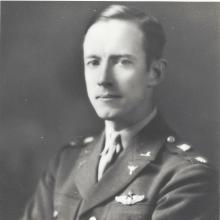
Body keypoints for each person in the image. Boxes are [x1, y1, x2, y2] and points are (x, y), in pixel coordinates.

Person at [21, 4, 218, 220]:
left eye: (122, 62)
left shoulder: (184, 177)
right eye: (93, 62)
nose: (103, 78)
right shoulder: (64, 165)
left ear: (155, 72)